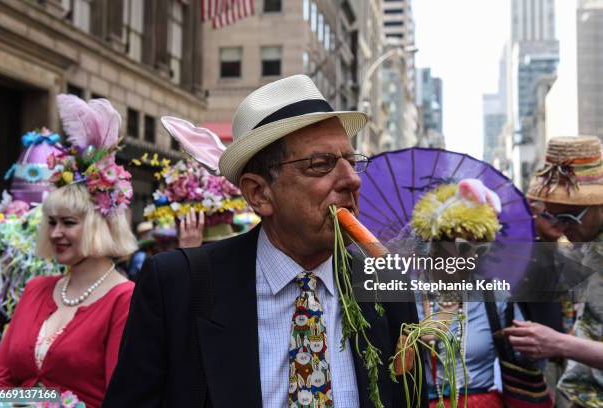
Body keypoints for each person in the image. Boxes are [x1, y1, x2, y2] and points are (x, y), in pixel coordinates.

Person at [104, 75, 425, 408]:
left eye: (352, 161)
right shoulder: (178, 286)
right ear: (259, 193)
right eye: (320, 164)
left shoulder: (386, 284)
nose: (352, 180)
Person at [0, 94, 138, 408]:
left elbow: (119, 397)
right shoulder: (35, 289)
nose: (55, 233)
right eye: (51, 222)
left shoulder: (124, 299)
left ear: (99, 224)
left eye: (68, 222)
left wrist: (31, 402)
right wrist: (40, 401)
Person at [387, 178, 530, 408]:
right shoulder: (405, 294)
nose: (473, 256)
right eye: (464, 246)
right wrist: (410, 343)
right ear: (434, 243)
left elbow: (525, 358)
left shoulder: (493, 296)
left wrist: (535, 344)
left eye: (481, 247)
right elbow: (382, 363)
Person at [507, 135, 603, 407]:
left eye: (569, 217)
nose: (560, 227)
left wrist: (560, 344)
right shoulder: (587, 247)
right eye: (552, 216)